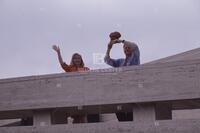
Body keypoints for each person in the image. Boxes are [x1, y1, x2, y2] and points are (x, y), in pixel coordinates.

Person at [52, 45, 99, 123]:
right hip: (74, 95)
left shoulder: (86, 69)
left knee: (83, 116)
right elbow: (62, 64)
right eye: (75, 58)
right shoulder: (70, 68)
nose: (77, 60)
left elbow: (90, 80)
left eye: (79, 58)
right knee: (76, 116)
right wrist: (58, 52)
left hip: (84, 95)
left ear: (81, 60)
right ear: (73, 60)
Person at [104, 32, 140, 121]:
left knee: (131, 117)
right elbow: (106, 60)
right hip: (121, 91)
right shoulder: (120, 62)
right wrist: (109, 48)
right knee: (120, 115)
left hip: (132, 90)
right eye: (125, 48)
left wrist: (120, 41)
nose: (127, 49)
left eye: (128, 48)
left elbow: (135, 46)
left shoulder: (135, 58)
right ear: (123, 50)